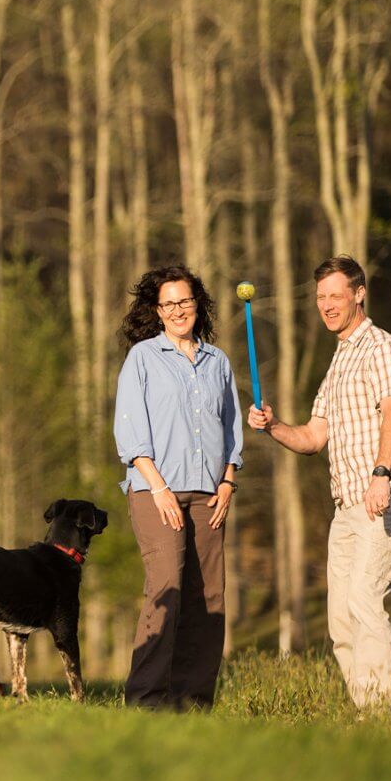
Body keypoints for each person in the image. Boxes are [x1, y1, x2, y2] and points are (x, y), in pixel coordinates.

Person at [249, 255, 391, 710]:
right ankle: (366, 711)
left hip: (388, 491)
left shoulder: (383, 348)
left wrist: (381, 474)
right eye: (321, 296)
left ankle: (386, 718)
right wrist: (273, 425)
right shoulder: (339, 363)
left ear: (358, 294)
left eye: (336, 295)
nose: (327, 304)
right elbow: (312, 438)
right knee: (341, 619)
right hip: (347, 503)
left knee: (366, 601)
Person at [114, 264, 243, 710]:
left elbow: (231, 429)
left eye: (184, 301)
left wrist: (228, 481)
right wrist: (159, 488)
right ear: (157, 310)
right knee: (167, 586)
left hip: (210, 495)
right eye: (168, 304)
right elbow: (130, 433)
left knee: (208, 597)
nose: (177, 310)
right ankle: (146, 700)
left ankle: (192, 702)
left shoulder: (217, 362)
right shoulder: (143, 358)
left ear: (197, 304)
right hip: (156, 492)